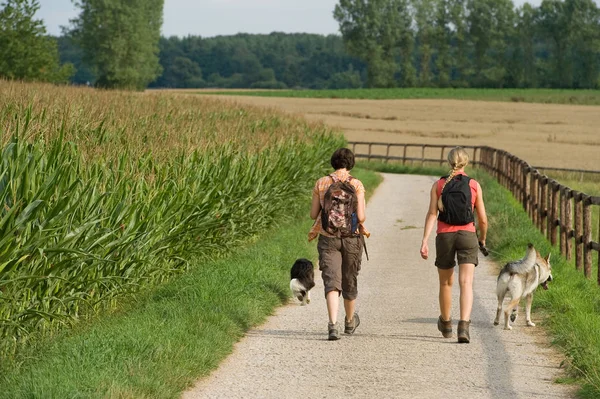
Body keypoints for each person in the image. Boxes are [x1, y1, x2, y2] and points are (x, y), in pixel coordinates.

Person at [420, 146, 488, 344]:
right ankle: (464, 326)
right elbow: (482, 219)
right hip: (468, 235)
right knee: (466, 283)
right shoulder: (474, 185)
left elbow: (432, 214)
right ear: (466, 163)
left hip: (445, 236)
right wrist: (482, 238)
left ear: (448, 162)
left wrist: (425, 240)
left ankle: (447, 323)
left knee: (445, 283)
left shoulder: (439, 185)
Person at [309, 148, 369, 341]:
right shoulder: (356, 184)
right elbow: (360, 217)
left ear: (333, 162)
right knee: (349, 278)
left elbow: (313, 214)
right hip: (351, 238)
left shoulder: (321, 183)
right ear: (351, 163)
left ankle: (332, 325)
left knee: (331, 280)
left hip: (328, 237)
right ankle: (350, 321)